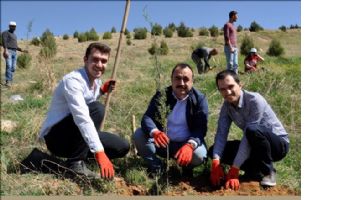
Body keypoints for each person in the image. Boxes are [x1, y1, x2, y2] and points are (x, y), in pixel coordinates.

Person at [38, 42, 130, 180]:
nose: (99, 65)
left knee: (122, 147)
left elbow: (87, 99)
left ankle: (84, 156)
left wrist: (101, 91)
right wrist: (99, 152)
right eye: (95, 59)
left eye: (104, 61)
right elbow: (82, 117)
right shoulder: (73, 81)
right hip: (57, 139)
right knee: (98, 109)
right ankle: (75, 163)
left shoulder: (95, 81)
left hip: (76, 135)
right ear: (85, 60)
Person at [209, 70, 289, 190]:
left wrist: (235, 167)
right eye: (222, 89)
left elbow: (249, 135)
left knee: (252, 130)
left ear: (240, 85)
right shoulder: (227, 106)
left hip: (277, 145)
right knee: (213, 151)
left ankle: (269, 172)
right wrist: (216, 161)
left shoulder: (254, 100)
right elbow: (221, 133)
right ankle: (253, 171)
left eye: (231, 86)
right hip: (255, 143)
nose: (228, 92)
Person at [133, 63, 208, 177]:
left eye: (186, 79)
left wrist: (190, 145)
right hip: (163, 143)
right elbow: (147, 117)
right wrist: (155, 132)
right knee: (138, 135)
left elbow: (201, 127)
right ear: (171, 80)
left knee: (199, 155)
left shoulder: (199, 99)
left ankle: (186, 168)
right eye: (177, 78)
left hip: (186, 144)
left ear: (192, 81)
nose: (181, 83)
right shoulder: (162, 95)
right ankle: (157, 168)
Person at [1, 21, 25, 87]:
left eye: (14, 26)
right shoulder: (5, 33)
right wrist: (5, 50)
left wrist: (21, 50)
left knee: (13, 68)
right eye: (12, 26)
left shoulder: (14, 35)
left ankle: (10, 80)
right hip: (8, 51)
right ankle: (8, 81)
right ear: (9, 26)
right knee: (9, 65)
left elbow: (15, 46)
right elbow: (4, 41)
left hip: (14, 52)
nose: (13, 27)